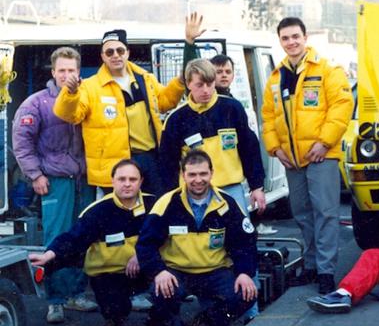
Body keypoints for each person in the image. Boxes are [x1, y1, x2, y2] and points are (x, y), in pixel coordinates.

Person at [261, 17, 354, 294]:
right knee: (302, 213)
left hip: (320, 156)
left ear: (305, 37)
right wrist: (275, 149)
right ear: (280, 41)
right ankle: (311, 265)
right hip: (292, 159)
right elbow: (268, 115)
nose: (291, 42)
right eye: (285, 38)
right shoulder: (276, 77)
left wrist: (325, 143)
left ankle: (326, 271)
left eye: (295, 36)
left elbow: (342, 106)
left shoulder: (327, 70)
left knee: (325, 212)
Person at [136, 150, 258, 326]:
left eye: (203, 174)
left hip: (215, 271)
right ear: (183, 175)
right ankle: (173, 325)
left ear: (212, 173)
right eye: (192, 175)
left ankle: (215, 319)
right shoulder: (167, 203)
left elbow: (245, 243)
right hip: (177, 272)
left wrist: (244, 273)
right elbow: (145, 244)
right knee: (161, 291)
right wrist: (159, 271)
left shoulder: (227, 203)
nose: (198, 180)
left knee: (247, 293)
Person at [12, 47, 98, 323]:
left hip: (84, 180)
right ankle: (55, 300)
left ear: (79, 71)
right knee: (56, 238)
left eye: (72, 70)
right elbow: (22, 143)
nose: (67, 75)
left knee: (81, 237)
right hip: (55, 181)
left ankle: (75, 293)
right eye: (61, 70)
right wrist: (35, 175)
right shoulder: (36, 104)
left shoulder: (89, 96)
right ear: (53, 72)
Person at [28, 159, 155, 326]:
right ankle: (114, 318)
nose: (127, 184)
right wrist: (50, 254)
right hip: (109, 273)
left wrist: (141, 255)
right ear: (112, 181)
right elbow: (74, 238)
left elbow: (165, 238)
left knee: (169, 290)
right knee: (116, 308)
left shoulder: (154, 205)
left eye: (133, 180)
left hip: (140, 268)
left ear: (141, 182)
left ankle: (158, 320)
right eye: (122, 179)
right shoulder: (98, 211)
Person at [53, 29, 185, 196]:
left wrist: (180, 82)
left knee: (155, 210)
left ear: (127, 53)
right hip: (115, 166)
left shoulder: (145, 79)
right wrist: (70, 93)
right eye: (109, 52)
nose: (115, 55)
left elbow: (165, 102)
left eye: (120, 50)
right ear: (103, 56)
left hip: (150, 159)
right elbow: (71, 115)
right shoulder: (89, 86)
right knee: (120, 217)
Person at [159, 58, 266, 215]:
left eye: (210, 84)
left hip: (232, 189)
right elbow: (167, 165)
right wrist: (171, 199)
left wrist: (257, 186)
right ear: (188, 84)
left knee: (240, 238)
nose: (206, 90)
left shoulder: (232, 108)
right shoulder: (175, 119)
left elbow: (249, 150)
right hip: (193, 193)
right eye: (199, 85)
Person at [183, 12, 236, 97]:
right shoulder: (203, 97)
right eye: (219, 72)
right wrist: (189, 41)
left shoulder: (234, 104)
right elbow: (192, 68)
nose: (224, 75)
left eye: (228, 72)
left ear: (233, 76)